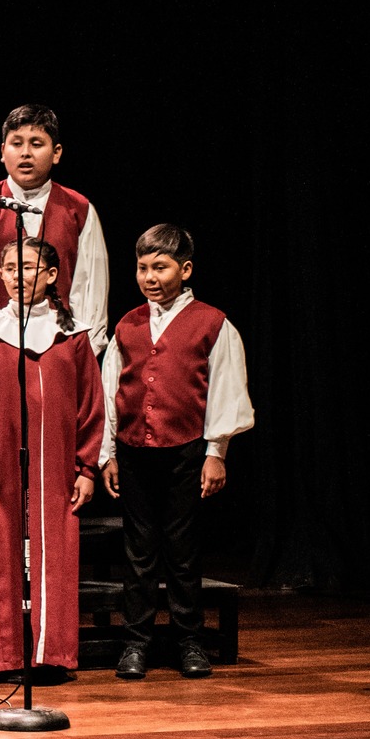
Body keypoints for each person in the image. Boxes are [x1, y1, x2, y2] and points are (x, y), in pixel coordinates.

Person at [100, 224, 253, 681]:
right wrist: (108, 451)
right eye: (143, 267)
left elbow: (226, 388)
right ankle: (137, 642)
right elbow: (111, 390)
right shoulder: (128, 324)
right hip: (134, 450)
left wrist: (216, 451)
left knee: (182, 550)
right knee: (139, 551)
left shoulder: (212, 323)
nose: (149, 276)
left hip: (185, 449)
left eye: (160, 267)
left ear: (185, 270)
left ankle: (189, 639)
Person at [0, 237, 105, 679]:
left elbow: (90, 406)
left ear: (52, 276)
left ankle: (50, 654)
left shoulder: (72, 336)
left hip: (57, 468)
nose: (20, 276)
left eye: (31, 267)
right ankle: (4, 656)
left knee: (56, 554)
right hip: (3, 466)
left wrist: (86, 468)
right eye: (11, 268)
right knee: (3, 554)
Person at [0, 104, 110, 354]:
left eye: (37, 144)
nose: (25, 153)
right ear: (3, 151)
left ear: (56, 152)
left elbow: (90, 288)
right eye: (17, 144)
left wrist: (83, 353)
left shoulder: (78, 210)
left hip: (59, 348)